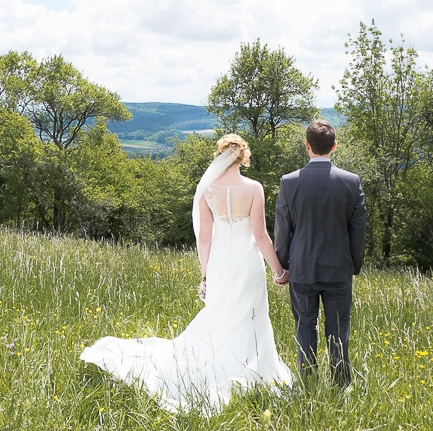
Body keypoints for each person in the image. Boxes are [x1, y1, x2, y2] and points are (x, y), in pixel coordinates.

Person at [80, 134, 294, 414]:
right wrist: (279, 270)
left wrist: (205, 275)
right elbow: (261, 235)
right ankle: (255, 370)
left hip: (219, 262)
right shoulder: (254, 188)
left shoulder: (208, 189)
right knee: (251, 316)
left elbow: (204, 238)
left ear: (221, 154)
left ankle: (218, 363)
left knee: (220, 314)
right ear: (243, 156)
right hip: (247, 263)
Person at [274, 120, 366, 387]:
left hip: (301, 269)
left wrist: (282, 267)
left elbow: (283, 229)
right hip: (339, 269)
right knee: (338, 330)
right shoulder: (351, 181)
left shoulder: (289, 183)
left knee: (305, 327)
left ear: (307, 146)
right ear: (334, 146)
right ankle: (340, 385)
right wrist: (353, 265)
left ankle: (309, 385)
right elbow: (358, 229)